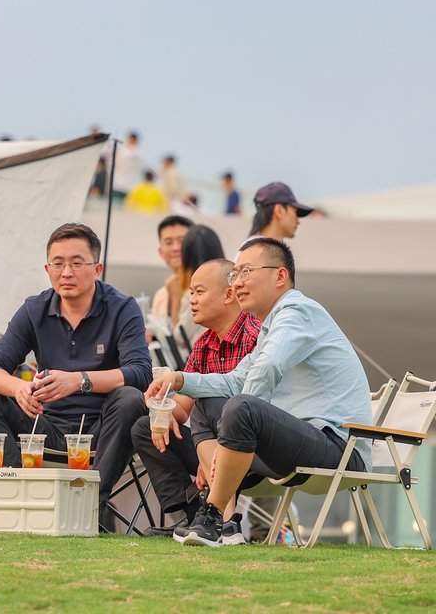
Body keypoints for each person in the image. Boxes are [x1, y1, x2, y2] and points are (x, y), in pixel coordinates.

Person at [147, 238, 371, 547]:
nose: (237, 282)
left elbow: (266, 371)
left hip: (339, 449)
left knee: (241, 409)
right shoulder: (270, 327)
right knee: (208, 405)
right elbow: (234, 382)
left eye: (245, 272)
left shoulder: (298, 311)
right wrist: (179, 379)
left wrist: (229, 431)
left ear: (279, 276)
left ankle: (212, 514)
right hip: (298, 444)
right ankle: (223, 524)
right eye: (235, 274)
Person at [0, 223, 151, 527]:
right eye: (58, 264)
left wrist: (79, 381)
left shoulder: (122, 308)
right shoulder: (34, 309)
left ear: (97, 268)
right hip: (44, 427)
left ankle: (91, 503)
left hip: (102, 431)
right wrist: (18, 389)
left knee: (130, 398)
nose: (67, 272)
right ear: (47, 269)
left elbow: (141, 373)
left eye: (77, 263)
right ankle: (16, 497)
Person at [131, 259, 260, 538]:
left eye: (199, 292)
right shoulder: (203, 344)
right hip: (210, 445)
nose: (192, 300)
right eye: (191, 293)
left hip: (253, 450)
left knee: (215, 404)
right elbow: (183, 408)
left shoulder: (257, 336)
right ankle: (192, 517)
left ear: (229, 294)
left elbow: (255, 407)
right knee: (145, 427)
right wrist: (159, 408)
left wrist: (209, 451)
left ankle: (217, 519)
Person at [149, 216, 193, 344]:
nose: (176, 248)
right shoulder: (161, 295)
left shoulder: (205, 290)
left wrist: (176, 299)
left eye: (182, 241)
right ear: (160, 252)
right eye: (168, 242)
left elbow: (182, 341)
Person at [248, 181, 314, 241]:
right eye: (295, 212)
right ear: (279, 210)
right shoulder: (259, 250)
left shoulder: (257, 248)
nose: (298, 221)